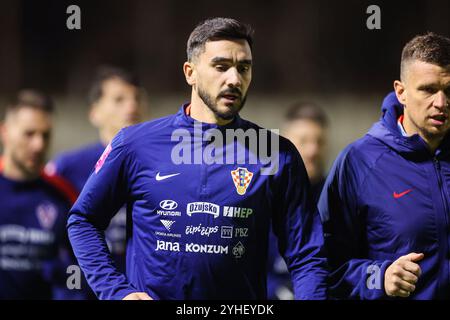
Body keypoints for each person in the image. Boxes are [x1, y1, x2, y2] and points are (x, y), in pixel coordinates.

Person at [67, 17, 328, 300]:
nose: (234, 79)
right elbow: (83, 220)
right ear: (190, 72)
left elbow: (306, 256)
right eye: (221, 67)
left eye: (244, 68)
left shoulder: (275, 153)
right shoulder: (135, 144)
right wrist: (117, 292)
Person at [318, 32, 450, 299]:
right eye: (428, 89)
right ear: (400, 92)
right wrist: (380, 277)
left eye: (449, 91)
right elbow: (324, 265)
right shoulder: (359, 162)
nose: (441, 103)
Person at [0, 90, 77, 299]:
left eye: (45, 135)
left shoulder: (63, 195)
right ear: (4, 132)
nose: (39, 145)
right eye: (29, 134)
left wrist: (69, 285)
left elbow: (78, 270)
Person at [267, 102, 329, 299]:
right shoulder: (262, 197)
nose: (313, 151)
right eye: (303, 141)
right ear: (285, 143)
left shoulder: (339, 198)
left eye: (319, 142)